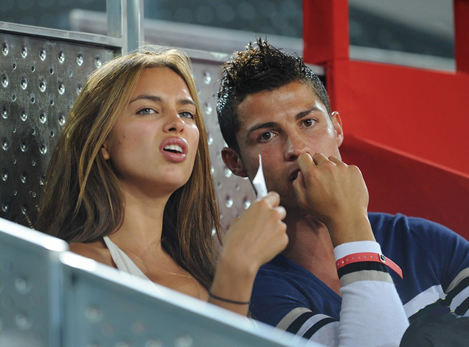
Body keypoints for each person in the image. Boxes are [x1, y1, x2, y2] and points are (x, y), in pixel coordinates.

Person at [216, 39, 469, 345]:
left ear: (338, 129)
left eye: (308, 122)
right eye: (266, 135)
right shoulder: (258, 291)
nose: (298, 148)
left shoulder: (428, 242)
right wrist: (349, 220)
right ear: (236, 162)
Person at [35, 47, 288, 316]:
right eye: (147, 110)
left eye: (187, 114)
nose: (176, 124)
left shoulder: (205, 274)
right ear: (102, 141)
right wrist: (237, 270)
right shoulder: (80, 265)